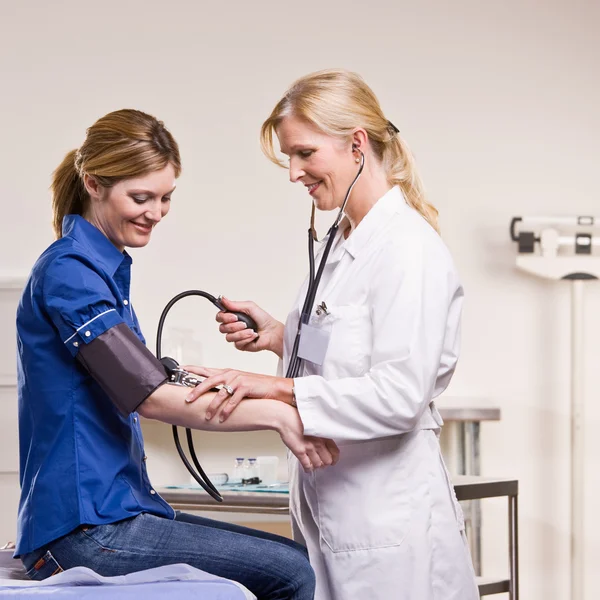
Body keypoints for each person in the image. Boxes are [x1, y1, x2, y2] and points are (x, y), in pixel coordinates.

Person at [15, 108, 340, 600]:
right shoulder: (72, 272)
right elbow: (147, 395)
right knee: (291, 573)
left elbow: (141, 378)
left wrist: (233, 370)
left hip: (113, 512)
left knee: (295, 561)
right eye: (140, 197)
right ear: (93, 183)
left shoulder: (99, 270)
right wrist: (278, 414)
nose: (155, 212)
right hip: (85, 532)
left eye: (165, 198)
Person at [185, 70, 480, 599]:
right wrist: (279, 336)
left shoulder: (407, 250)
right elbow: (349, 353)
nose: (294, 172)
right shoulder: (344, 243)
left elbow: (399, 394)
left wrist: (271, 386)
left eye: (304, 154)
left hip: (387, 518)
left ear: (357, 144)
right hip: (336, 506)